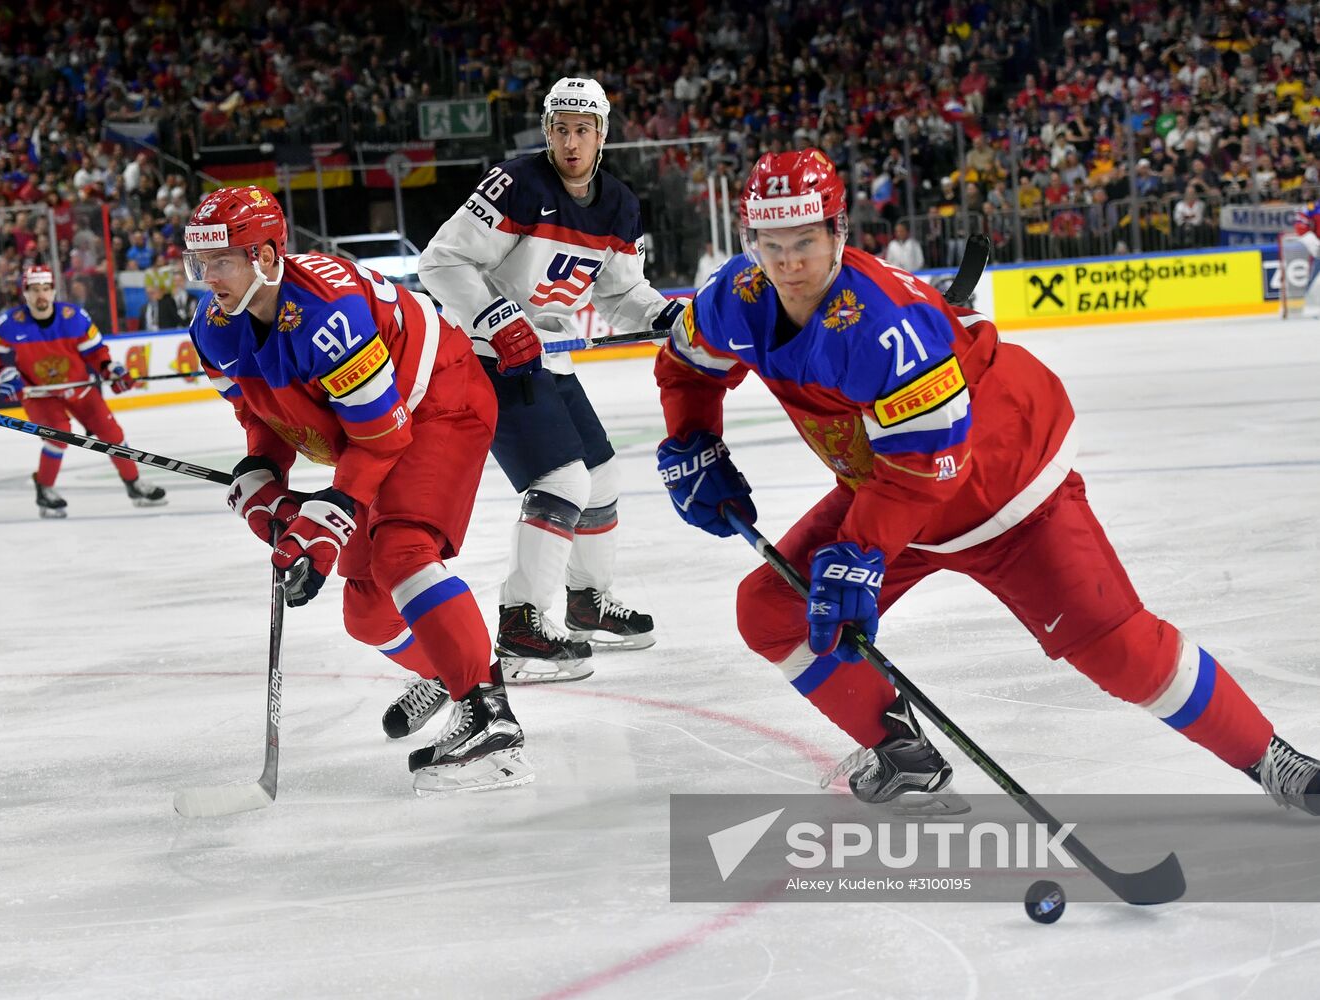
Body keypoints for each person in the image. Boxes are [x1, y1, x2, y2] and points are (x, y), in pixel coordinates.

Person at [653, 149, 1320, 815]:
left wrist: (860, 551)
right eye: (771, 246)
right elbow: (686, 363)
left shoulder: (884, 324)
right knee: (772, 610)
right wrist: (693, 439)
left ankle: (1269, 758)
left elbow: (929, 464)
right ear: (749, 244)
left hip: (1004, 490)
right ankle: (901, 752)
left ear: (837, 233)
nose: (789, 264)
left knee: (1118, 651)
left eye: (805, 241)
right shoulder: (737, 298)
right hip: (890, 492)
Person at [183, 185, 530, 793]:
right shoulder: (214, 330)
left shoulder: (326, 311)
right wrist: (263, 484)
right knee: (368, 615)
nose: (207, 278)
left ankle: (486, 713)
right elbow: (262, 421)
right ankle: (452, 668)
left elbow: (384, 436)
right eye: (200, 263)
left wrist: (325, 520)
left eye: (222, 261)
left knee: (402, 549)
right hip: (372, 430)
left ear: (266, 258)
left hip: (438, 404)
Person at [419, 77, 685, 683]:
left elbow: (620, 292)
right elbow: (441, 261)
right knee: (561, 480)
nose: (571, 142)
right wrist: (497, 317)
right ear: (547, 132)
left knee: (601, 476)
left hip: (549, 358)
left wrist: (662, 314)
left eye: (583, 130)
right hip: (492, 360)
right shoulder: (516, 183)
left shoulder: (618, 203)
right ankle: (521, 625)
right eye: (560, 130)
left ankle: (585, 602)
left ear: (602, 135)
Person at [0, 265, 167, 518]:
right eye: (34, 290)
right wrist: (1, 372)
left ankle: (134, 484)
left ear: (54, 291)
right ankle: (45, 489)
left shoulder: (74, 317)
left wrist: (110, 369)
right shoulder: (11, 322)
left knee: (112, 433)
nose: (41, 295)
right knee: (59, 434)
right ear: (25, 293)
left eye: (45, 289)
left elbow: (96, 353)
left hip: (78, 387)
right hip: (39, 393)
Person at [1291, 201, 1320, 317]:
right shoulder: (1312, 208)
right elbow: (1300, 226)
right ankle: (1311, 306)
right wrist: (1315, 244)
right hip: (1319, 252)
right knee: (1314, 281)